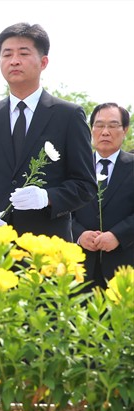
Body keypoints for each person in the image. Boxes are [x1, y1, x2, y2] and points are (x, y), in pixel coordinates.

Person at [0, 22, 96, 240]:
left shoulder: (68, 115)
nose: (14, 60)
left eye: (23, 53)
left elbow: (85, 185)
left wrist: (48, 197)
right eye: (7, 54)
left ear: (43, 62)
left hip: (47, 245)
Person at [73, 103, 134, 290]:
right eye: (99, 125)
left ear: (125, 130)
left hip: (124, 267)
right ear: (91, 130)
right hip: (79, 269)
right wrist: (79, 234)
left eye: (113, 125)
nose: (105, 132)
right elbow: (61, 209)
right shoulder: (76, 167)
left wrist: (118, 235)